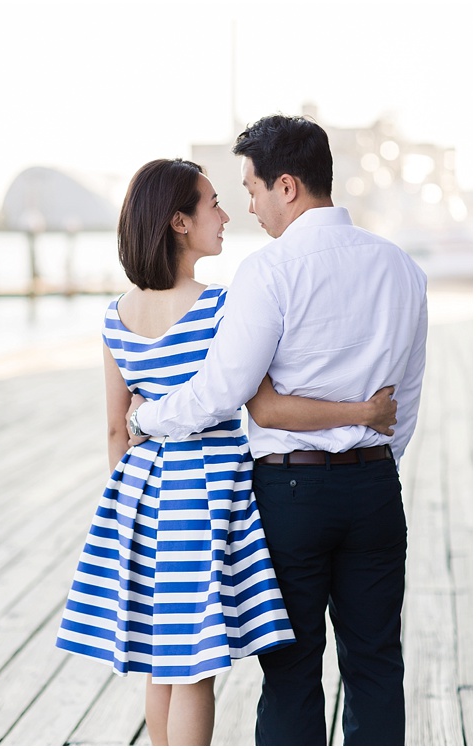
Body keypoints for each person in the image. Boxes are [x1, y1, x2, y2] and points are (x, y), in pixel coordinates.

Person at [55, 158, 399, 746]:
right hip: (205, 495)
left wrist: (125, 513)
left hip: (140, 495)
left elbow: (117, 429)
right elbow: (263, 404)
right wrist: (364, 412)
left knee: (161, 657)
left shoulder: (115, 316)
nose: (224, 213)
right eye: (212, 202)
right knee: (193, 665)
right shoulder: (219, 307)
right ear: (179, 223)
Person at [127, 117, 427, 746]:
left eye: (253, 188)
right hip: (375, 488)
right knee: (376, 665)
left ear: (286, 185)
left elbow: (222, 392)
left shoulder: (269, 271)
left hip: (290, 494)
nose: (249, 206)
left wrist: (145, 417)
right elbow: (404, 401)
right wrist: (369, 456)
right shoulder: (402, 268)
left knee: (291, 673)